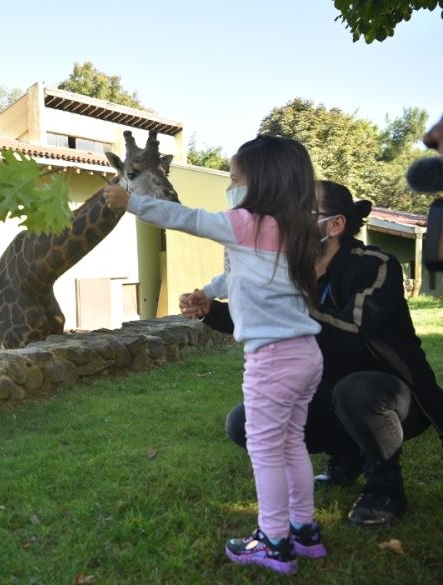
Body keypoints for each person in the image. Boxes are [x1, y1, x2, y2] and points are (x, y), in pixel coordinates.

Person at [104, 135, 324, 575]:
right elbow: (241, 273)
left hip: (272, 360)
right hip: (306, 355)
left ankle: (274, 540)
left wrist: (130, 203)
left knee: (264, 449)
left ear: (261, 181)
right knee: (291, 443)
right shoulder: (296, 228)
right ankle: (304, 530)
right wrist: (207, 290)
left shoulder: (246, 222)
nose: (229, 185)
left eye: (234, 177)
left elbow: (187, 218)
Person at [183, 179, 443, 528]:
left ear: (335, 225)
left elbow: (354, 332)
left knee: (356, 390)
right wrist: (210, 309)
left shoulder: (376, 264)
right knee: (244, 422)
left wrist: (287, 303)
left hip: (392, 397)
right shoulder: (289, 269)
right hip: (325, 389)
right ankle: (345, 454)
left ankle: (385, 488)